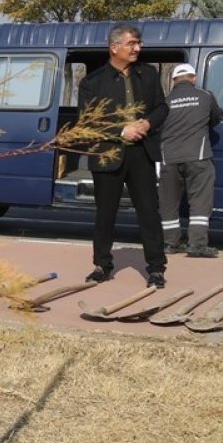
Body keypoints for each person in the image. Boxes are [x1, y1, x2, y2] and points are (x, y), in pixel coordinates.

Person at [77, 24, 169, 288]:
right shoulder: (92, 82)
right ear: (114, 47)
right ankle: (102, 266)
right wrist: (122, 130)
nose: (137, 48)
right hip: (108, 154)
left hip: (142, 154)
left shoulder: (149, 75)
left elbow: (162, 107)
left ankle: (156, 269)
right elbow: (86, 122)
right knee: (105, 214)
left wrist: (148, 124)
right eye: (132, 43)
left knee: (149, 212)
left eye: (139, 43)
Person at [158, 63, 223, 258]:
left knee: (168, 202)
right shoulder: (205, 96)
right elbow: (216, 118)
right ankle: (197, 245)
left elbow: (157, 126)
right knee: (200, 202)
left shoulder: (165, 100)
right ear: (193, 78)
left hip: (168, 158)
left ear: (173, 81)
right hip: (198, 156)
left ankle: (170, 244)